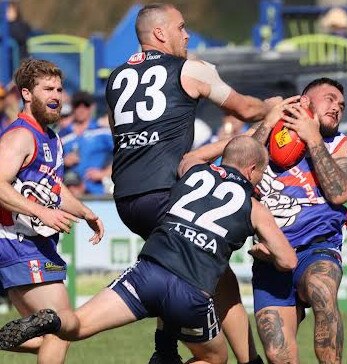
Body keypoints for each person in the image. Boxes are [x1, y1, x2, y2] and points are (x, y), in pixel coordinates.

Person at [0, 135, 297, 364]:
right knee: (215, 358)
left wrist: (229, 146)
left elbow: (190, 156)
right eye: (261, 172)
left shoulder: (194, 171)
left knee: (76, 327)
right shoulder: (255, 207)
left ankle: (52, 319)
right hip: (191, 292)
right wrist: (261, 251)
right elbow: (288, 260)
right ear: (253, 168)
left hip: (147, 273)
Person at [105, 4, 280, 363]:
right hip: (164, 192)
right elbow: (244, 108)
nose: (187, 35)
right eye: (181, 27)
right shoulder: (189, 68)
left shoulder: (116, 77)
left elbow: (120, 137)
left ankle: (166, 347)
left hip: (125, 198)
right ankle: (239, 359)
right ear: (159, 34)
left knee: (188, 267)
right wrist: (270, 108)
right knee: (214, 271)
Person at [0, 59, 104, 363]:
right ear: (27, 94)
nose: (56, 94)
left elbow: (54, 187)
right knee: (60, 324)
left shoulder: (52, 138)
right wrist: (42, 213)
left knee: (53, 332)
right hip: (16, 243)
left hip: (36, 245)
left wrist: (85, 212)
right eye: (47, 88)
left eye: (59, 88)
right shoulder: (20, 135)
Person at [249, 78, 347, 363]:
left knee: (322, 289)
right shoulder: (269, 135)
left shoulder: (341, 145)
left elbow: (340, 193)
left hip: (317, 246)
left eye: (342, 105)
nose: (337, 107)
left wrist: (313, 139)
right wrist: (267, 123)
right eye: (330, 99)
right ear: (305, 101)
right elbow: (234, 171)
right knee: (277, 354)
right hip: (270, 254)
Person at [59, 91, 114, 195]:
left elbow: (122, 155)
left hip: (97, 193)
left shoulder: (102, 132)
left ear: (92, 107)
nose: (81, 109)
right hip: (70, 193)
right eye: (77, 105)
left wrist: (104, 173)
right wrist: (63, 161)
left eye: (86, 105)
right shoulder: (62, 135)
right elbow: (49, 162)